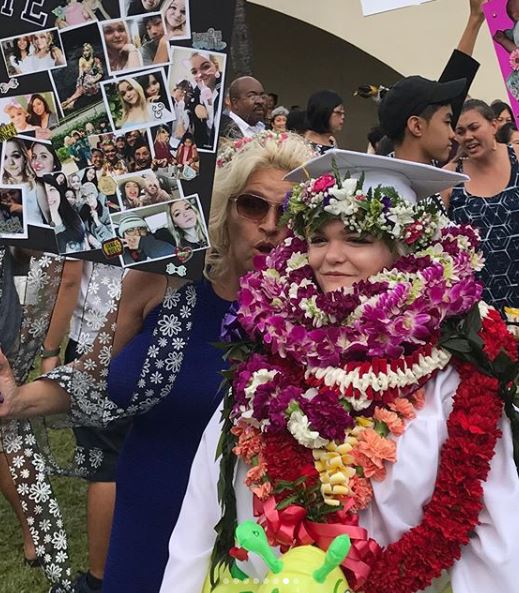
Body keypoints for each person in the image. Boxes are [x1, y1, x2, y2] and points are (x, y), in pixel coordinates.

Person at [161, 149, 519, 593]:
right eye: (318, 238)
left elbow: (492, 541)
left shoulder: (453, 376)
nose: (331, 257)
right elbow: (201, 517)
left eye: (356, 239)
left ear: (403, 250)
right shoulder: (268, 363)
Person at [0, 131, 315, 593]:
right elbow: (93, 374)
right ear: (225, 211)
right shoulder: (159, 284)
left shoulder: (312, 317)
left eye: (287, 212)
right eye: (253, 205)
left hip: (248, 529)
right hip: (146, 508)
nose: (270, 224)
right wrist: (16, 401)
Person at [377, 0, 485, 166]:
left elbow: (455, 80)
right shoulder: (383, 188)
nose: (454, 135)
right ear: (416, 126)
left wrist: (475, 20)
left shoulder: (432, 176)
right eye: (447, 122)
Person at [443, 99, 519, 313]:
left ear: (494, 125)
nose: (468, 136)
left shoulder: (517, 157)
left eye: (474, 127)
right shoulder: (449, 177)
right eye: (460, 131)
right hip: (479, 307)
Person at [2, 138, 47, 226]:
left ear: (25, 158)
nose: (11, 162)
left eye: (16, 156)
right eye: (5, 157)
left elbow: (49, 222)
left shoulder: (37, 187)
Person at [184, 52, 223, 150]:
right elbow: (187, 105)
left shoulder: (227, 89)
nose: (200, 74)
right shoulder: (195, 94)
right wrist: (195, 106)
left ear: (216, 67)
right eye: (194, 72)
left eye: (205, 67)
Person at [41, 173, 87, 253]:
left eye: (51, 189)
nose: (49, 197)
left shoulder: (72, 215)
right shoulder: (37, 228)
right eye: (42, 192)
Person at [219, 76, 266, 141]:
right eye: (252, 96)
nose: (260, 101)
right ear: (235, 103)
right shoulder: (220, 129)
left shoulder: (267, 129)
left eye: (262, 96)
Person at [61, 43, 104, 111]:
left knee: (85, 84)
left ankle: (69, 101)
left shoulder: (96, 60)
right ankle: (71, 103)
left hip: (95, 81)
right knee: (81, 85)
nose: (85, 52)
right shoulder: (81, 59)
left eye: (87, 50)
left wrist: (94, 80)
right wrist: (79, 81)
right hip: (86, 79)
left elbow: (101, 73)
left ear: (90, 51)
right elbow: (81, 73)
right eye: (84, 51)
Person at [79, 182, 113, 248]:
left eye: (90, 195)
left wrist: (97, 221)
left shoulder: (106, 212)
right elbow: (82, 230)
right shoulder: (83, 212)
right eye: (85, 197)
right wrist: (90, 239)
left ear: (95, 194)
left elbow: (110, 236)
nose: (88, 199)